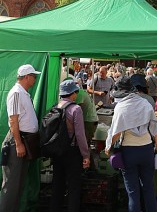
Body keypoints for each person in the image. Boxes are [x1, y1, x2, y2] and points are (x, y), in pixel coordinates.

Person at [106, 77, 157, 212]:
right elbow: (155, 130)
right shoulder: (146, 104)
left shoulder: (121, 107)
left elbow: (116, 133)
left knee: (133, 192)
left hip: (129, 152)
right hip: (147, 150)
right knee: (149, 189)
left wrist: (108, 147)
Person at [0, 64, 41, 212]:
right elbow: (13, 120)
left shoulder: (23, 93)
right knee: (11, 186)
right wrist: (18, 143)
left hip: (25, 140)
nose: (35, 79)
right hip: (18, 141)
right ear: (26, 77)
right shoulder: (16, 93)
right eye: (33, 76)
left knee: (18, 185)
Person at [50, 80, 90, 212]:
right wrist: (86, 155)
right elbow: (80, 134)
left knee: (57, 184)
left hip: (57, 151)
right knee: (74, 187)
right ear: (73, 93)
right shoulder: (76, 109)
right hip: (72, 152)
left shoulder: (55, 107)